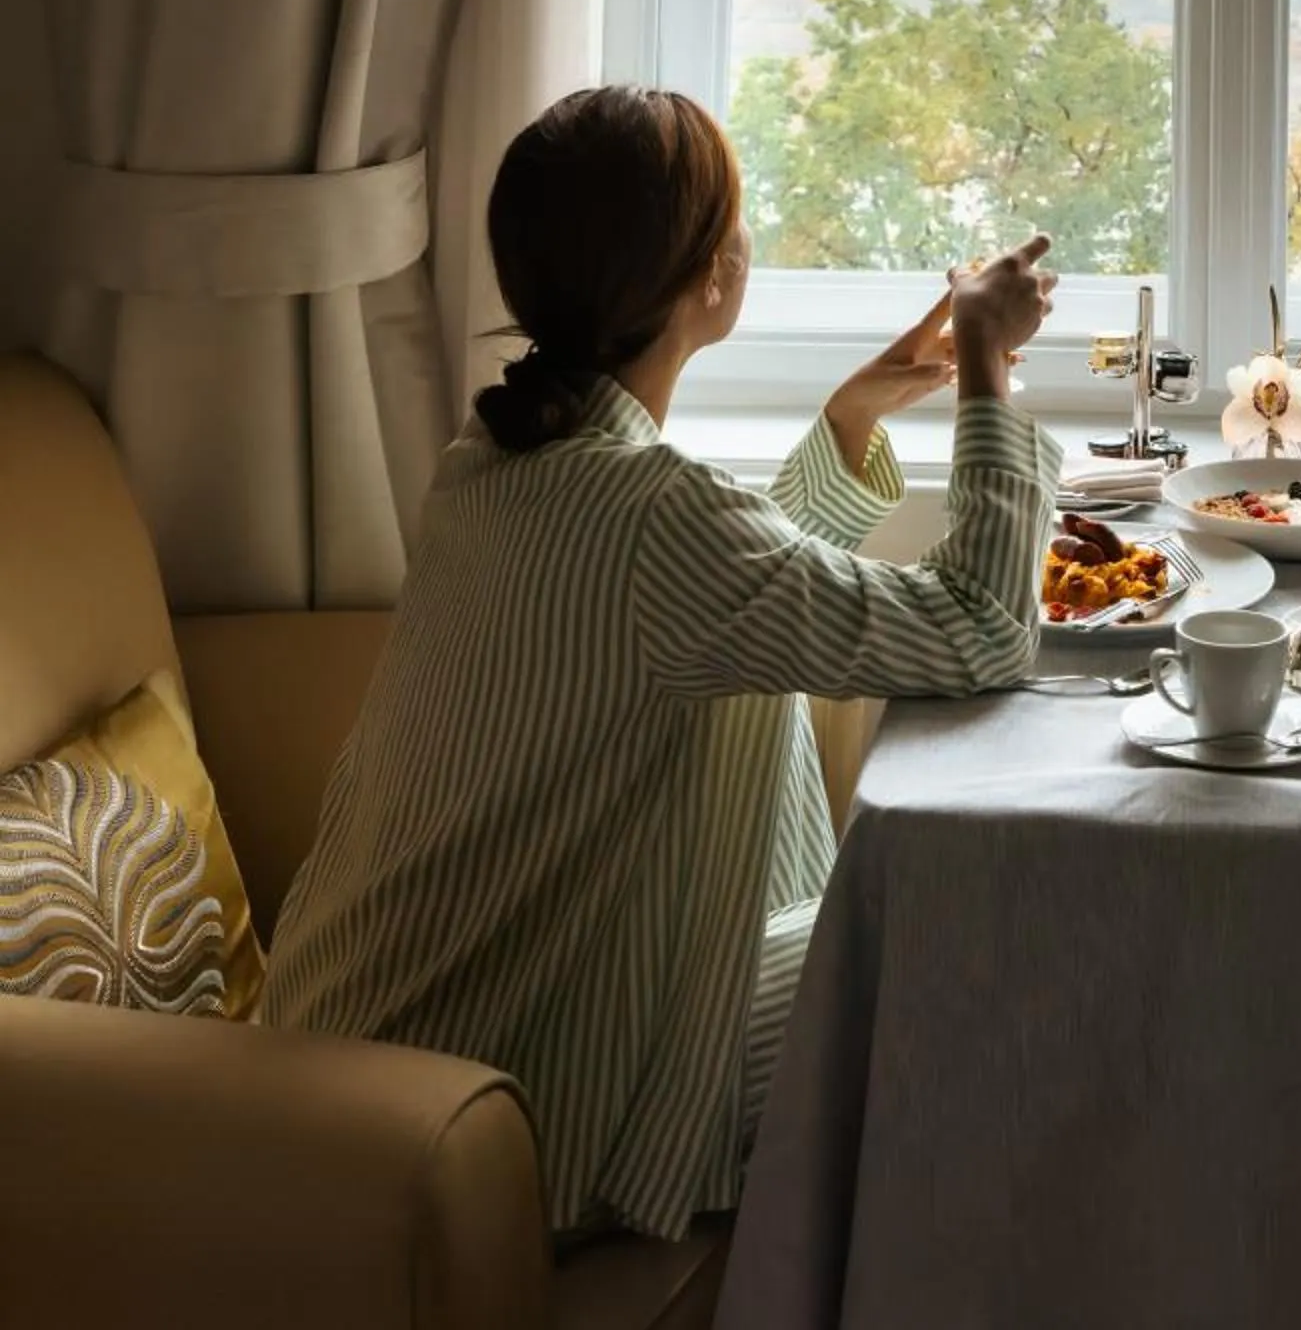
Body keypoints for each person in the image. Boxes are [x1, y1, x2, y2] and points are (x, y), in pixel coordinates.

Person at [263, 83, 1060, 1244]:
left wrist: (848, 424)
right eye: (734, 221)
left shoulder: (493, 461)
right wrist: (987, 362)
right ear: (710, 279)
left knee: (919, 912)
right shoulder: (651, 517)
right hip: (486, 1101)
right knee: (971, 926)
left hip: (351, 1047)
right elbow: (983, 629)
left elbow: (696, 606)